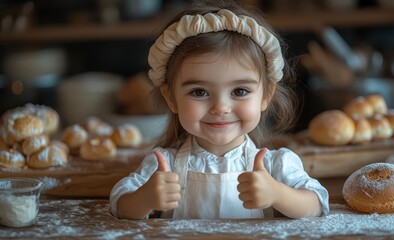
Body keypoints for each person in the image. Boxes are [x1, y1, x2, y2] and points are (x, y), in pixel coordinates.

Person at [110, 0, 329, 219]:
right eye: (199, 92)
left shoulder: (275, 165)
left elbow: (317, 203)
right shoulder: (164, 165)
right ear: (171, 98)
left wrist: (278, 194)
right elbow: (120, 204)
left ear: (265, 96)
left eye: (240, 91)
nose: (221, 107)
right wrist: (145, 199)